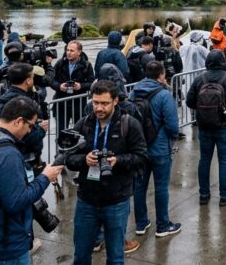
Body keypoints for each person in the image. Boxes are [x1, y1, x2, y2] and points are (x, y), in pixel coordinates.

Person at [0, 97, 64, 265]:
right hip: (3, 247)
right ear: (18, 121)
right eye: (30, 126)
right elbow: (15, 202)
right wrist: (45, 178)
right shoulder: (7, 154)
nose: (30, 131)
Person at [65, 79, 148, 265]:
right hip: (87, 200)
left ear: (116, 101)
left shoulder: (130, 124)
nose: (99, 108)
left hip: (116, 201)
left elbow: (141, 157)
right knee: (80, 256)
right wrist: (84, 160)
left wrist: (117, 161)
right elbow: (68, 158)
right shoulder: (84, 124)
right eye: (95, 102)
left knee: (116, 258)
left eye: (104, 103)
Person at [187, 51, 226, 206]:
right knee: (224, 160)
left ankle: (204, 195)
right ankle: (224, 195)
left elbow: (189, 101)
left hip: (204, 126)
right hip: (225, 125)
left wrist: (203, 110)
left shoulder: (200, 79)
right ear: (223, 62)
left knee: (204, 159)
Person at [131, 62, 182, 238]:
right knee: (161, 187)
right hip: (159, 148)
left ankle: (141, 222)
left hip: (139, 147)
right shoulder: (164, 95)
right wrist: (171, 139)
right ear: (161, 75)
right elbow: (172, 125)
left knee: (139, 186)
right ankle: (162, 225)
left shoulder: (134, 91)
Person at [0, 63, 51, 169]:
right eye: (32, 77)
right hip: (22, 159)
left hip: (2, 155)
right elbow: (26, 135)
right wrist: (41, 130)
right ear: (28, 81)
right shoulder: (23, 104)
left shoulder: (1, 99)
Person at [51, 40, 95, 135]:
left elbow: (92, 83)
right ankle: (61, 149)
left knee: (78, 131)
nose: (68, 53)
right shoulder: (60, 63)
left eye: (72, 51)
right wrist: (59, 86)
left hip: (78, 104)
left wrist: (81, 86)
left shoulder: (86, 65)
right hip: (61, 102)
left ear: (79, 52)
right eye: (67, 50)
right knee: (61, 132)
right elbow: (51, 81)